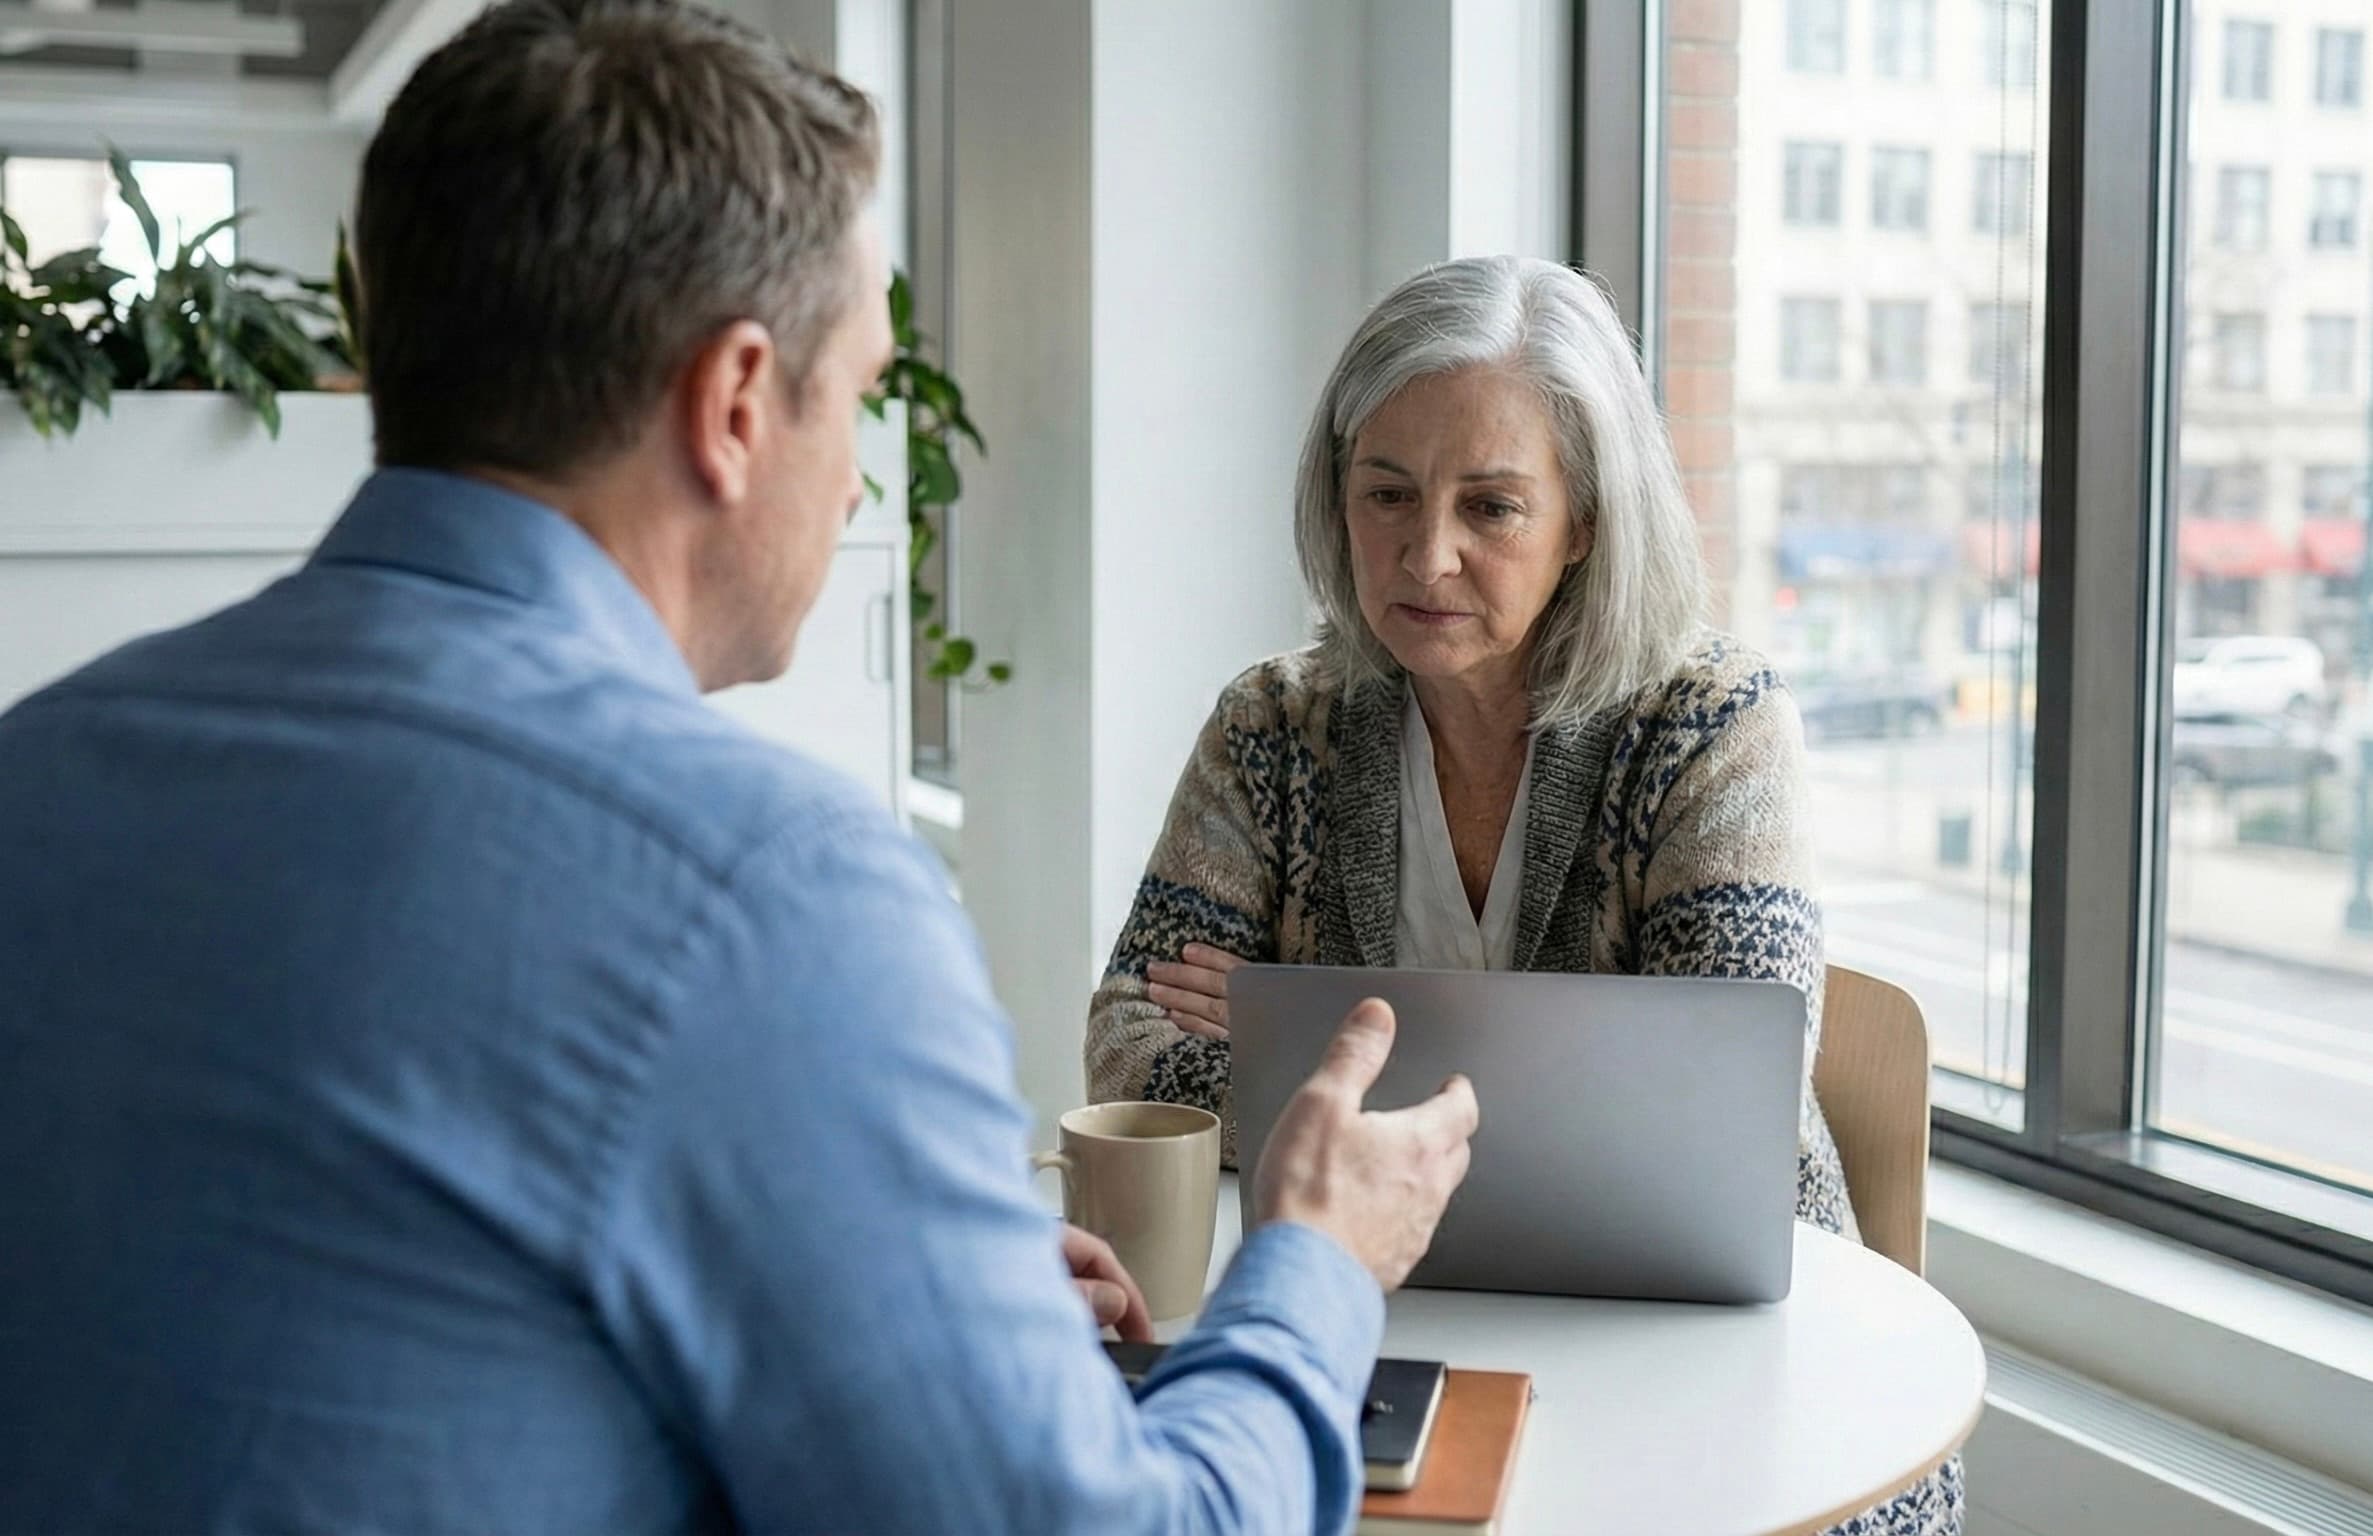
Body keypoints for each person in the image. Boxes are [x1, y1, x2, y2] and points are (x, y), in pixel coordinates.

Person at [0, 4, 1479, 1532]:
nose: (854, 475)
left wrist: (873, 1272)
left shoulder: (38, 770)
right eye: (858, 394)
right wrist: (1314, 1264)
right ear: (729, 405)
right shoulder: (770, 900)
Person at [1085, 255, 1963, 1535]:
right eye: (1385, 492)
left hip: (1697, 1337)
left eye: (1490, 507)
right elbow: (1128, 1047)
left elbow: (1724, 1101)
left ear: (1586, 521)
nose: (1424, 552)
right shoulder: (1273, 722)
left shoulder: (1710, 721)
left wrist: (1323, 1060)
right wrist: (1564, 1068)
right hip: (1389, 1320)